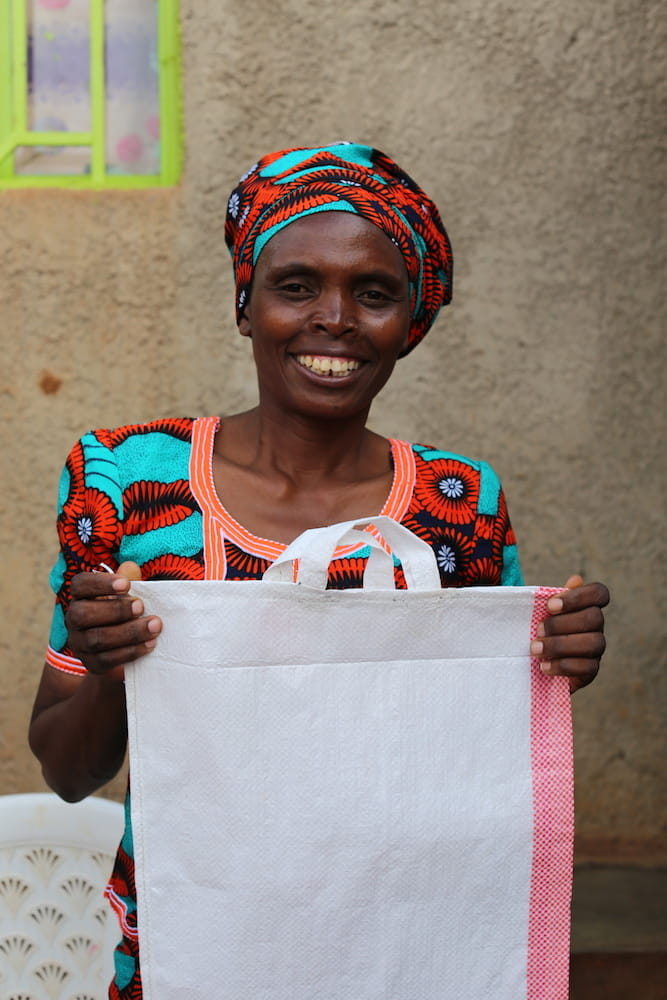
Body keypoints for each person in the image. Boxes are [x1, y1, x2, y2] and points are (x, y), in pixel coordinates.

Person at [29, 142, 609, 999]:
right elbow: (67, 773)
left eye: (373, 293)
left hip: (403, 946)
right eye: (295, 285)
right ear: (245, 304)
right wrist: (117, 671)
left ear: (408, 322)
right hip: (195, 943)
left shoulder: (459, 502)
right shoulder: (123, 479)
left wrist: (550, 662)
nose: (333, 318)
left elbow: (468, 757)